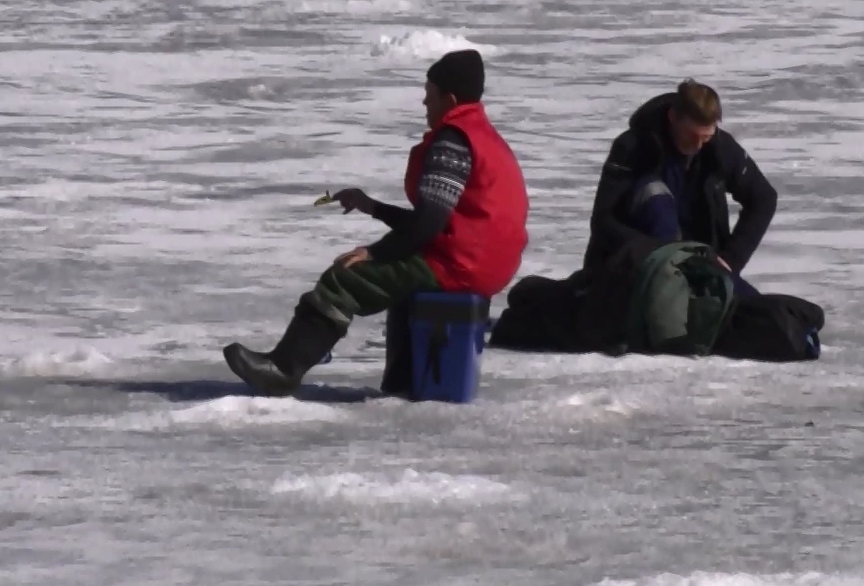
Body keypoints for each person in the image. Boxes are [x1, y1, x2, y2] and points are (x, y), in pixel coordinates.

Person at [223, 49, 529, 397]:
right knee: (402, 289)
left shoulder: (453, 141)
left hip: (462, 263)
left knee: (346, 277)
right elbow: (442, 222)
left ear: (451, 99)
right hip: (483, 258)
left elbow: (429, 222)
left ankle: (283, 369)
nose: (424, 102)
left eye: (429, 94)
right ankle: (401, 382)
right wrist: (372, 207)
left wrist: (374, 252)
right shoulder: (482, 135)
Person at [581, 79, 777, 296]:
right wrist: (659, 254)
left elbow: (763, 198)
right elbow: (604, 221)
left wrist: (731, 258)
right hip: (639, 265)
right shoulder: (633, 147)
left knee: (762, 311)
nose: (698, 146)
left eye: (706, 137)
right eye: (692, 136)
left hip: (700, 264)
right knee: (653, 191)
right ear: (673, 117)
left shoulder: (719, 148)